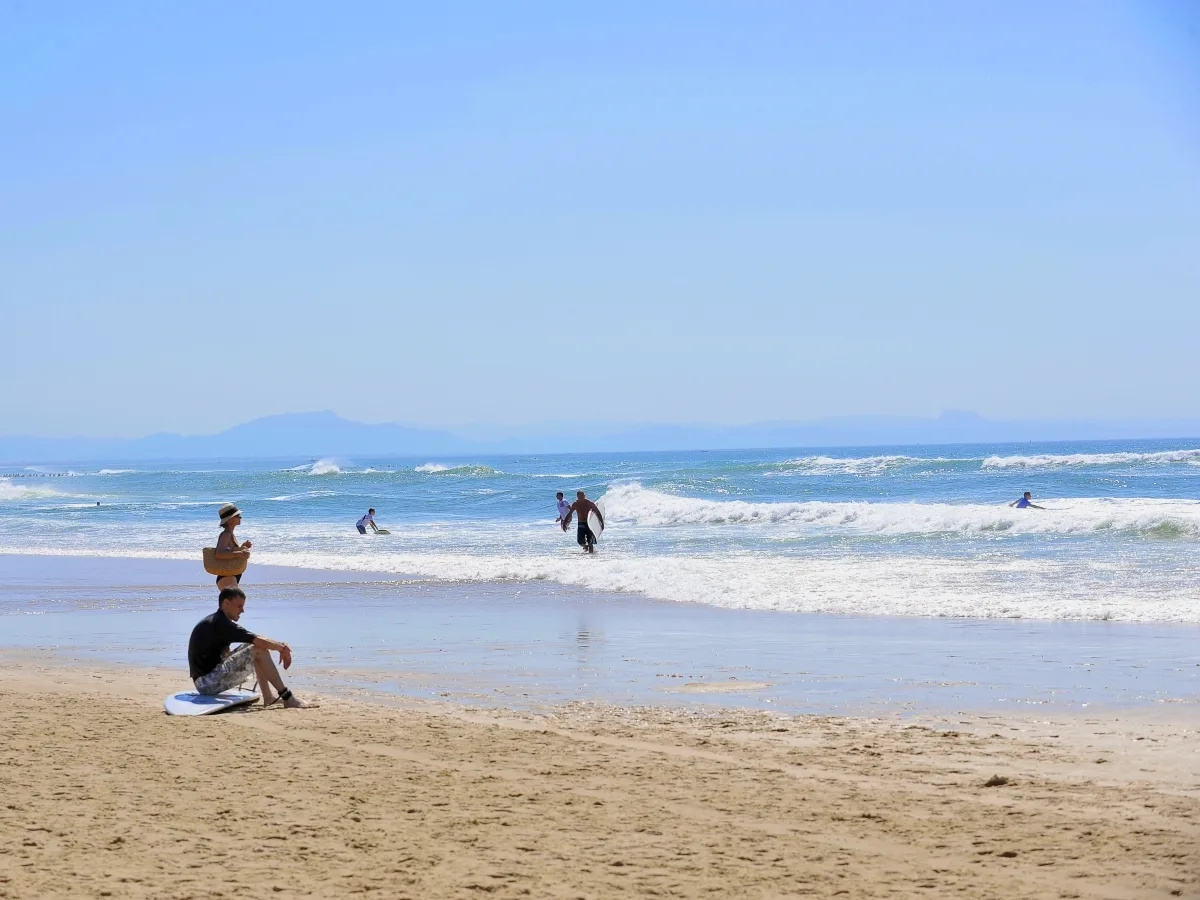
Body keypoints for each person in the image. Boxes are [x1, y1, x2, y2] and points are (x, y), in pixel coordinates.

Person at [187, 586, 317, 708]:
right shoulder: (221, 624)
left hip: (207, 678)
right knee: (258, 650)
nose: (242, 611)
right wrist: (282, 648)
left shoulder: (217, 621)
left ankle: (268, 697)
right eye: (239, 606)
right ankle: (288, 698)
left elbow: (256, 640)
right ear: (226, 603)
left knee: (253, 646)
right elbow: (260, 641)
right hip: (206, 684)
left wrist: (280, 645)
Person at [213, 503, 252, 590]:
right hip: (227, 577)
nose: (240, 517)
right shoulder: (226, 534)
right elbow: (219, 553)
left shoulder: (229, 534)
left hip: (229, 576)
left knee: (233, 602)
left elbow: (229, 551)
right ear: (230, 520)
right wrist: (239, 554)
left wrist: (242, 547)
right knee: (233, 602)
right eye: (238, 516)